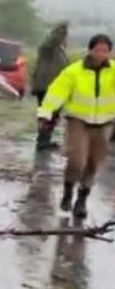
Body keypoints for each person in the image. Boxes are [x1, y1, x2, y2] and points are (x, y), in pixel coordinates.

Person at [38, 34, 115, 219]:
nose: (101, 54)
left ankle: (82, 200)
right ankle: (68, 191)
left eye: (105, 51)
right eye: (98, 50)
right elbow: (56, 92)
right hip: (78, 121)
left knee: (94, 163)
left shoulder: (113, 71)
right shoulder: (74, 71)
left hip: (104, 123)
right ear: (90, 50)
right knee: (76, 160)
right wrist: (45, 114)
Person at [32, 22, 70, 150]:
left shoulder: (60, 50)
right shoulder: (48, 49)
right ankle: (42, 141)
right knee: (47, 114)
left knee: (53, 115)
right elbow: (52, 40)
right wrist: (61, 29)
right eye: (63, 36)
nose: (65, 39)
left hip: (55, 88)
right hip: (46, 86)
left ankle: (45, 139)